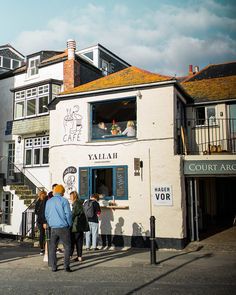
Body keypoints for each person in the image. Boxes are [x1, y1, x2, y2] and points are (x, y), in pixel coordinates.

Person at [45, 184, 72, 272]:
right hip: (63, 226)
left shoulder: (49, 201)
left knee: (52, 247)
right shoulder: (64, 201)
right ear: (62, 192)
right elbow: (68, 214)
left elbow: (47, 214)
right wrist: (69, 224)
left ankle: (53, 266)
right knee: (67, 246)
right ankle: (66, 266)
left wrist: (50, 223)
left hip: (53, 227)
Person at [70, 191, 89, 262]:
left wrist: (68, 220)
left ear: (73, 196)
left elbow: (73, 214)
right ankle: (79, 256)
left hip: (75, 225)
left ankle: (69, 256)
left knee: (72, 241)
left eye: (71, 196)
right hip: (81, 226)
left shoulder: (76, 204)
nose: (70, 198)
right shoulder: (80, 203)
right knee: (79, 242)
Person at [35, 190, 48, 255]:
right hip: (44, 220)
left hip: (39, 220)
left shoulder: (38, 202)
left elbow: (35, 211)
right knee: (46, 234)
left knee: (42, 235)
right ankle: (44, 248)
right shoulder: (45, 201)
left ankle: (41, 249)